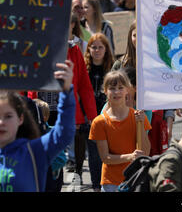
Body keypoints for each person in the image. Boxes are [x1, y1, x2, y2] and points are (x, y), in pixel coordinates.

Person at [0, 60, 76, 192]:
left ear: (20, 119)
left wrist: (66, 91)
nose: (1, 122)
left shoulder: (34, 151)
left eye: (8, 116)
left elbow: (63, 133)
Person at [89, 70, 151, 192]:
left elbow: (146, 151)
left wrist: (142, 124)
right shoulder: (99, 122)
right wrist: (130, 156)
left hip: (135, 178)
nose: (116, 92)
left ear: (127, 90)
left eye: (120, 88)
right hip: (110, 183)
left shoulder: (137, 116)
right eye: (112, 88)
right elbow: (106, 158)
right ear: (105, 91)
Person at [84, 33, 115, 191]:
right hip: (90, 118)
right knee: (94, 155)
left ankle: (108, 182)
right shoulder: (84, 68)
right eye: (93, 47)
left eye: (100, 47)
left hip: (108, 116)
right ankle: (96, 185)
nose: (97, 50)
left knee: (109, 152)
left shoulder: (112, 68)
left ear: (106, 49)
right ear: (88, 49)